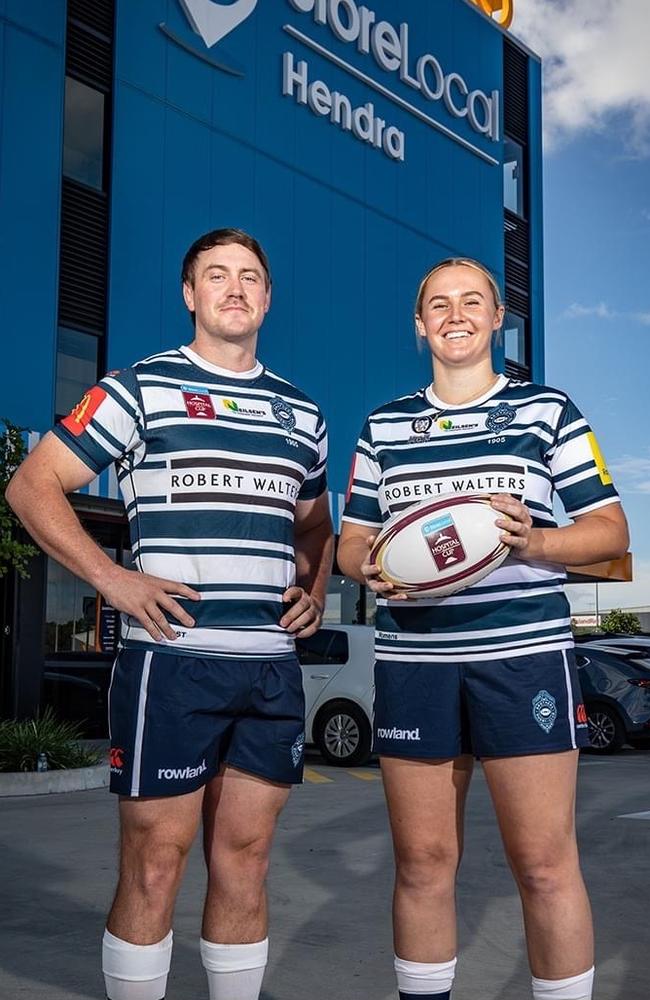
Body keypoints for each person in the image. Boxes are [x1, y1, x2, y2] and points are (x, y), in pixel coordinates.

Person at [7, 228, 334, 1000]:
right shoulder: (139, 387)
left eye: (250, 276)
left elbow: (315, 523)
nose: (234, 287)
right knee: (157, 859)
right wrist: (112, 581)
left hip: (270, 672)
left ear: (268, 297)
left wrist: (314, 588)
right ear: (190, 294)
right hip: (171, 664)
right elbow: (31, 486)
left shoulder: (303, 412)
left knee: (246, 857)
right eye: (215, 275)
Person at [337, 257, 628, 1000]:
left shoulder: (547, 412)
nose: (456, 314)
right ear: (420, 324)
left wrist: (534, 543)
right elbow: (349, 541)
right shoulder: (385, 425)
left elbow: (608, 530)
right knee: (424, 863)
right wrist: (366, 566)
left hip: (522, 660)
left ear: (499, 318)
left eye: (474, 301)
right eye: (439, 303)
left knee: (544, 864)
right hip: (414, 663)